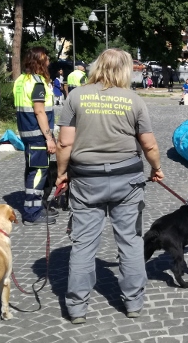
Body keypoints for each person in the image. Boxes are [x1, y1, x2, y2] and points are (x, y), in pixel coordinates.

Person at [55, 49, 163, 324]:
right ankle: (133, 303)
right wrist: (156, 168)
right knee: (130, 241)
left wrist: (61, 174)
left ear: (97, 67)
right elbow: (148, 144)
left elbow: (65, 143)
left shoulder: (76, 96)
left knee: (82, 244)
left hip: (85, 179)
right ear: (126, 70)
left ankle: (77, 308)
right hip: (127, 179)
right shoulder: (134, 100)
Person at [13, 47, 57, 225]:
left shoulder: (21, 80)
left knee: (32, 170)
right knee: (38, 173)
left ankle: (34, 207)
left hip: (26, 133)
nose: (48, 63)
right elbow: (39, 112)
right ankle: (32, 213)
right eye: (46, 60)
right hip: (38, 134)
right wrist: (49, 138)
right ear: (40, 62)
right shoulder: (38, 83)